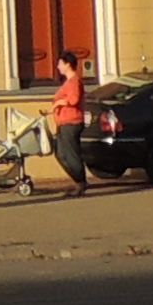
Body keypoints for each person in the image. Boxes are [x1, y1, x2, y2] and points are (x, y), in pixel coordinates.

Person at [47, 51, 94, 197]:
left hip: (71, 123)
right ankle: (78, 181)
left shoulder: (74, 81)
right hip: (63, 123)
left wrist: (58, 103)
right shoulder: (68, 82)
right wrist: (51, 110)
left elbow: (73, 100)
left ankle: (81, 182)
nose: (58, 66)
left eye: (60, 63)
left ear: (67, 64)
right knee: (61, 154)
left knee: (71, 154)